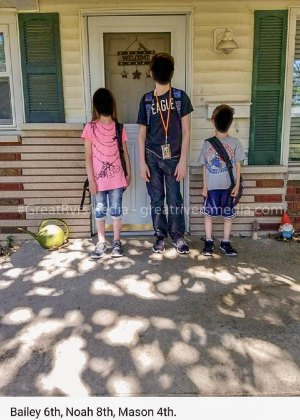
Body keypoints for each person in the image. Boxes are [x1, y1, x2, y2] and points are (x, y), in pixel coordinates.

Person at [137, 52, 194, 254]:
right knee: (156, 199)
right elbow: (141, 134)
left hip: (175, 158)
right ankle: (160, 235)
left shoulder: (180, 97)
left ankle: (177, 236)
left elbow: (187, 131)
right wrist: (142, 163)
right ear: (152, 73)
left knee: (174, 199)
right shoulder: (146, 100)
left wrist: (183, 161)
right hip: (152, 156)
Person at [81, 88, 131, 259]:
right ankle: (101, 241)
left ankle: (117, 242)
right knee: (100, 211)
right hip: (98, 181)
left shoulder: (119, 127)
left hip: (117, 179)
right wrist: (91, 181)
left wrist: (128, 173)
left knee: (116, 211)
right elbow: (88, 157)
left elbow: (124, 152)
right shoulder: (90, 128)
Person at [198, 104, 246, 257]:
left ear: (213, 121)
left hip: (228, 187)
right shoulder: (208, 143)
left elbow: (238, 166)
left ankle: (225, 242)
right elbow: (204, 166)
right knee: (209, 215)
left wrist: (237, 185)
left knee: (228, 215)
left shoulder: (236, 143)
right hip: (211, 187)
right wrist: (204, 186)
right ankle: (209, 241)